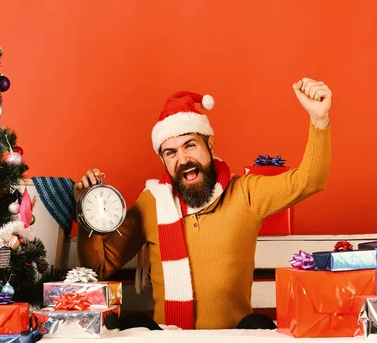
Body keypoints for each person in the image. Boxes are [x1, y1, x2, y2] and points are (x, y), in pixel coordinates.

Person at [75, 78, 332, 330]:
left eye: (190, 145)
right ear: (163, 160)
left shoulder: (244, 192)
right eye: (171, 152)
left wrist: (319, 120)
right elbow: (98, 267)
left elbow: (309, 181)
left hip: (234, 339)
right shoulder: (153, 202)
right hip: (170, 339)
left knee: (259, 325)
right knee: (134, 324)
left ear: (210, 144)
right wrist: (85, 206)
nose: (183, 159)